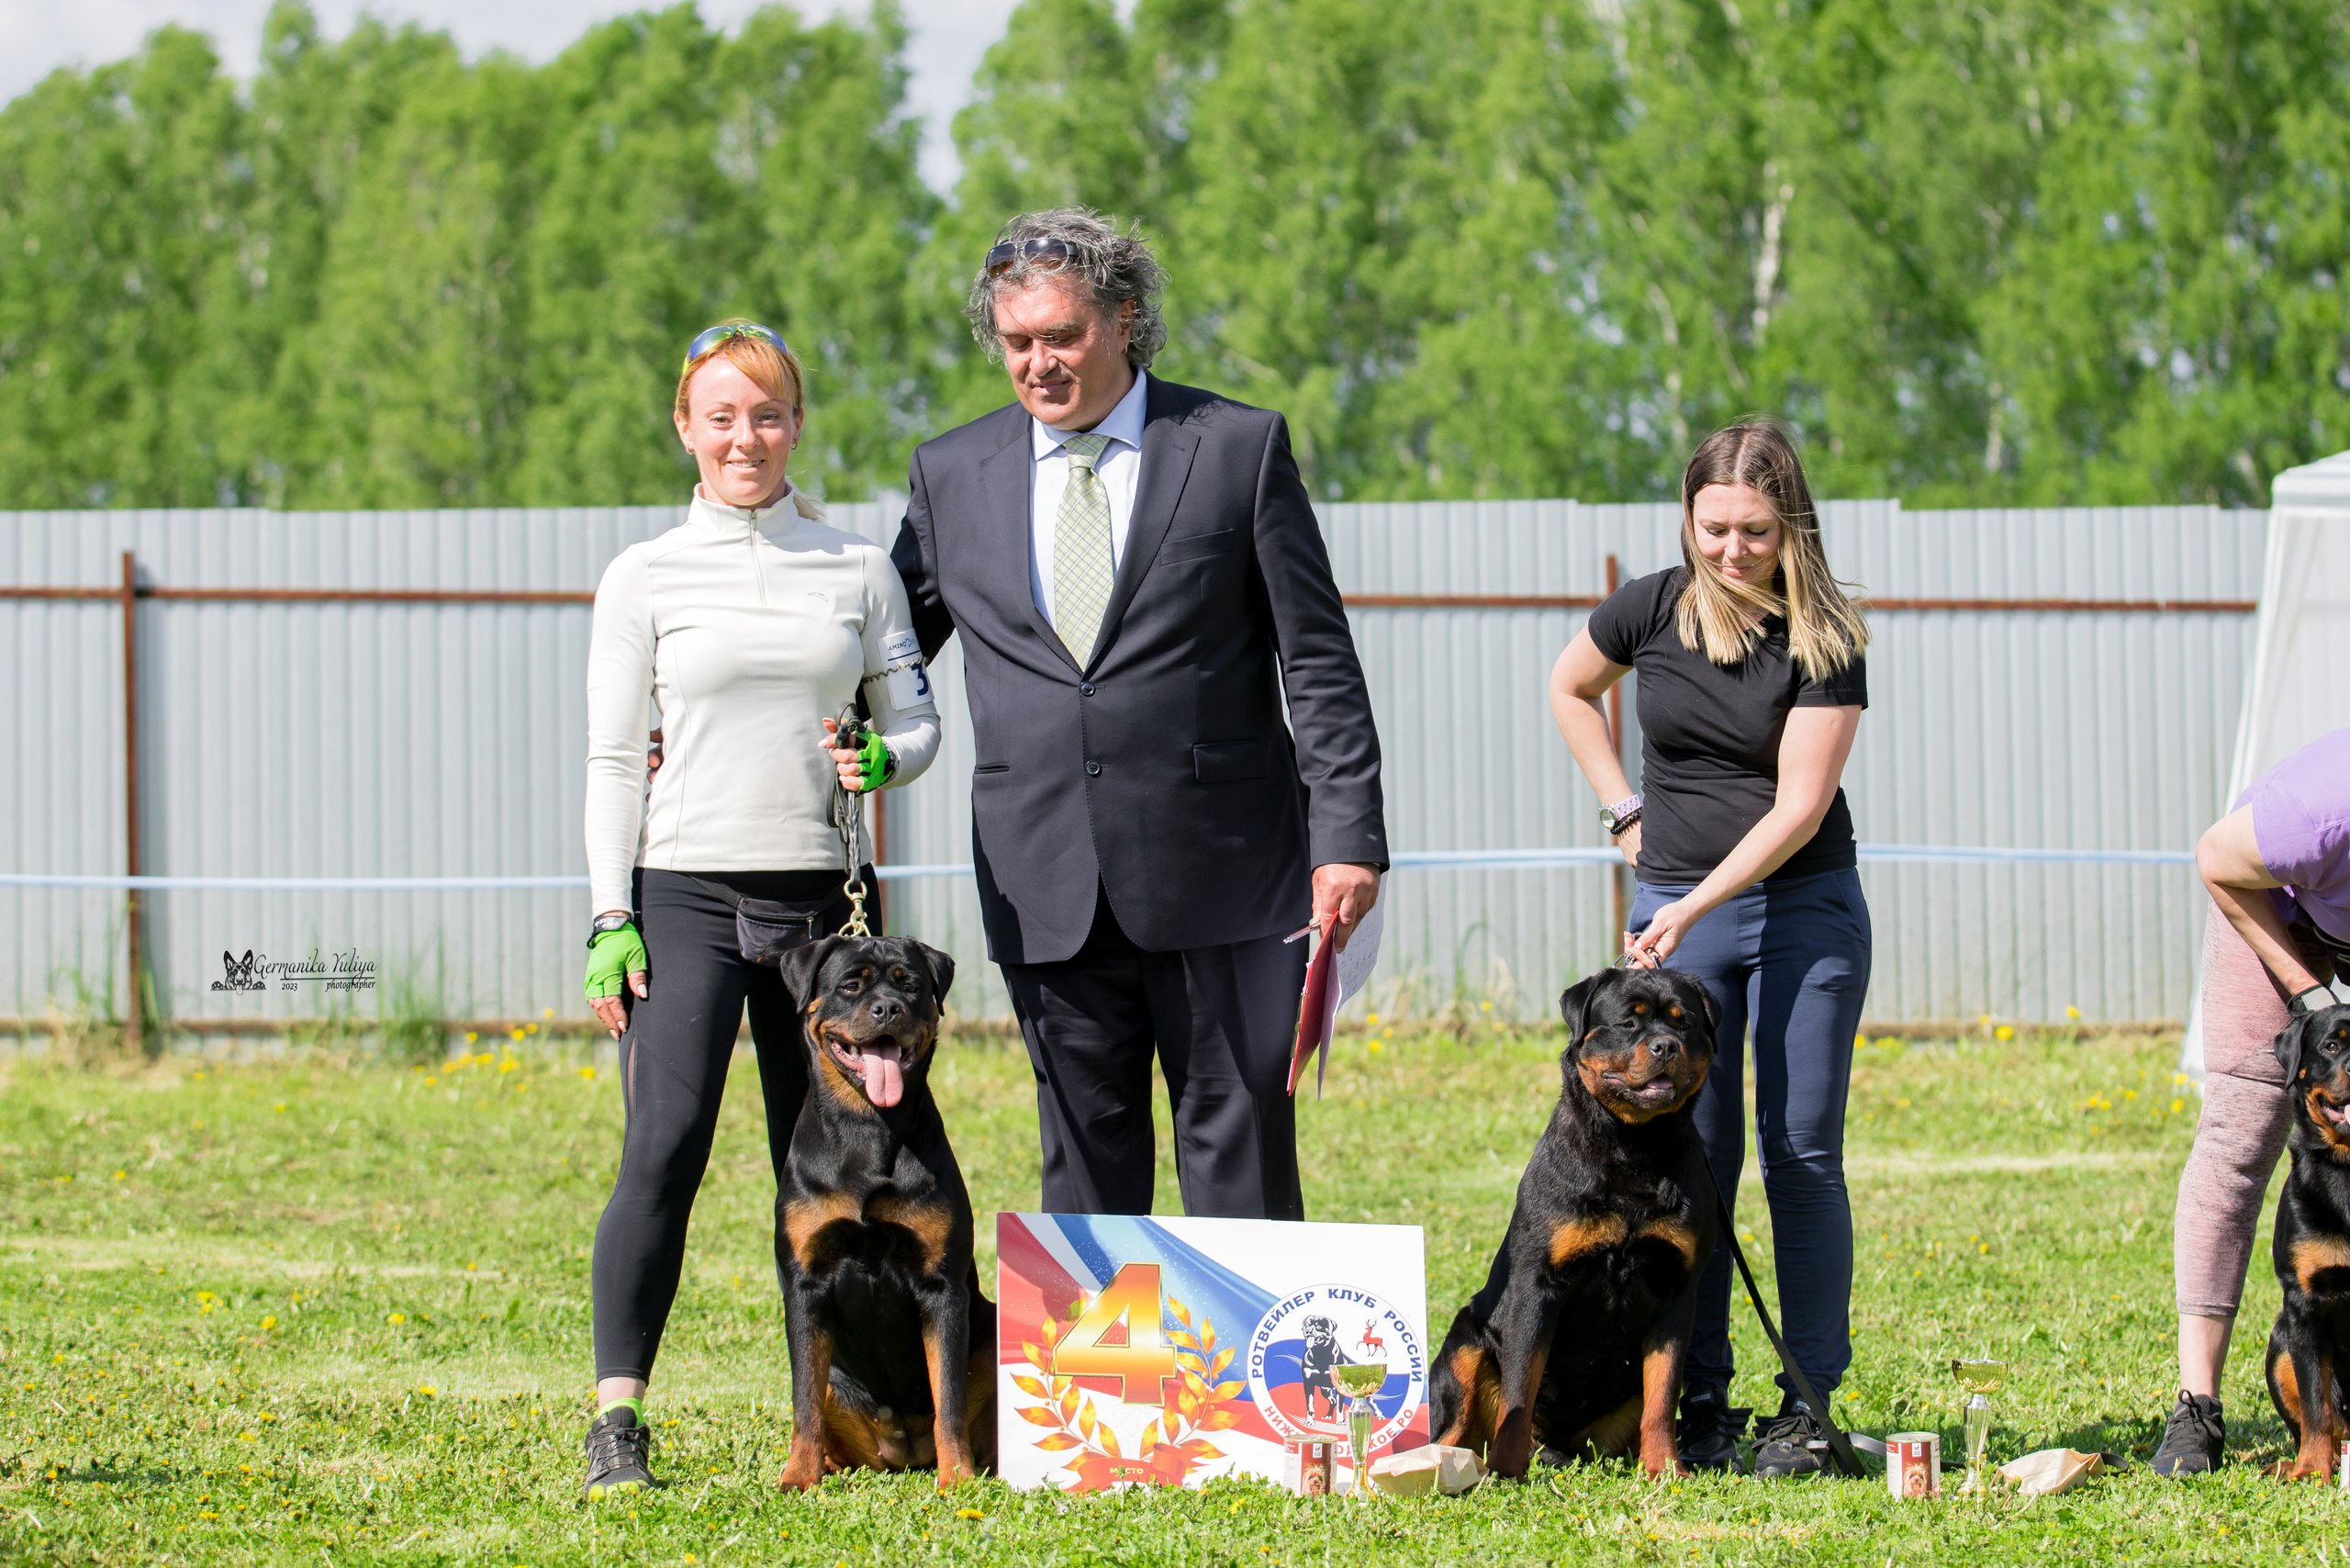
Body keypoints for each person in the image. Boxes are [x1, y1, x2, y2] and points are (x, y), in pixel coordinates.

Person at [889, 208, 1386, 1222]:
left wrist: (1349, 837)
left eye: (1062, 336)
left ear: (1124, 319)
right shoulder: (949, 474)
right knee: (1082, 1163)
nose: (1039, 364)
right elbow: (884, 645)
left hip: (1230, 872)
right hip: (1042, 879)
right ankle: (1104, 1384)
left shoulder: (1236, 447)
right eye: (1018, 343)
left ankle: (1247, 1384)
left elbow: (1319, 659)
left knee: (1237, 1144)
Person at [576, 320, 941, 1498]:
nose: (747, 437)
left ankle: (873, 1407)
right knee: (663, 1148)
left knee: (855, 1161)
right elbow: (610, 761)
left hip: (824, 911)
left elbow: (918, 721)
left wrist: (884, 761)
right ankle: (617, 1419)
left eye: (768, 413)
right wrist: (605, 918)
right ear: (684, 426)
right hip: (680, 894)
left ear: (797, 425)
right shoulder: (642, 574)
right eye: (721, 415)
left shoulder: (856, 566)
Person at [1550, 420, 1872, 1479]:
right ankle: (1699, 1399)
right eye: (1715, 528)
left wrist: (1690, 904)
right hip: (1678, 907)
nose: (1733, 550)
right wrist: (1623, 815)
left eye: (1756, 531)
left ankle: (1807, 1403)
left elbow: (1797, 806)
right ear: (1687, 518)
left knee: (1799, 1152)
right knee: (1695, 1160)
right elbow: (1567, 688)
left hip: (1800, 907)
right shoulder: (1646, 606)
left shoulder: (1825, 637)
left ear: (1792, 529)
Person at [2154, 728, 2350, 1477]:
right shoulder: (2318, 810)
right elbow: (2218, 860)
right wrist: (2305, 992)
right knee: (2239, 1140)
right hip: (2270, 908)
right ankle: (2196, 1408)